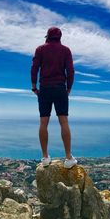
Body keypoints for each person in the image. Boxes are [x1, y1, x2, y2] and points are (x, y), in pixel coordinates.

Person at [31, 26, 77, 169]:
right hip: (60, 88)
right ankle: (68, 158)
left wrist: (34, 86)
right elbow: (70, 71)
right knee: (63, 121)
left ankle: (45, 157)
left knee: (43, 122)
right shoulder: (66, 50)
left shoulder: (40, 49)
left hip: (44, 88)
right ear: (60, 37)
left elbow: (34, 68)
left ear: (48, 37)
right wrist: (68, 88)